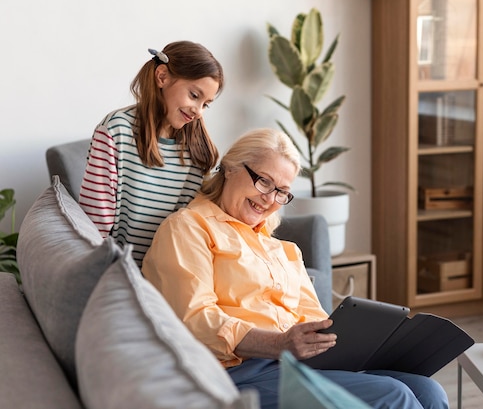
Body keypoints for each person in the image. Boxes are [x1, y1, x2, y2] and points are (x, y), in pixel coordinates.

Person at [142, 128, 450, 409]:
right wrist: (277, 344)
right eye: (263, 181)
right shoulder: (188, 227)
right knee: (393, 394)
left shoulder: (283, 250)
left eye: (281, 191)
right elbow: (193, 318)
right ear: (231, 167)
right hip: (234, 373)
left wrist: (357, 345)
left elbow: (315, 319)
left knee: (427, 391)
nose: (270, 198)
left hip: (299, 365)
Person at [79, 41, 224, 267]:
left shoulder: (197, 148)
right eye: (194, 95)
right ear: (162, 76)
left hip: (174, 273)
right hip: (121, 272)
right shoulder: (116, 131)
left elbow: (191, 225)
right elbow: (95, 223)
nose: (198, 111)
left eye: (206, 104)